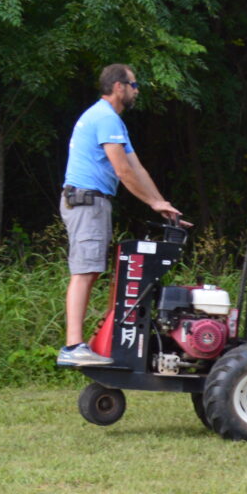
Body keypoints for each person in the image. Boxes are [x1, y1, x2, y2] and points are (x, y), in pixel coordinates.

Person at [55, 63, 185, 367]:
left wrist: (161, 202)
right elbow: (123, 171)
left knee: (91, 270)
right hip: (87, 202)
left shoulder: (112, 121)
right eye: (134, 85)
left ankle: (77, 345)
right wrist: (151, 203)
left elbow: (137, 167)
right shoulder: (104, 118)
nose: (137, 91)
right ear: (119, 87)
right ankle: (73, 346)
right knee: (84, 271)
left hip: (92, 202)